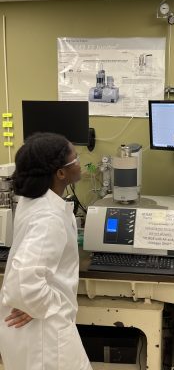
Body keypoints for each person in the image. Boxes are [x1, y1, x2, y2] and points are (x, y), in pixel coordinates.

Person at [0, 133, 92, 370]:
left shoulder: (36, 200)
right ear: (61, 173)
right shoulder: (48, 217)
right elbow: (23, 281)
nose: (79, 163)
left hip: (36, 335)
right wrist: (42, 305)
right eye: (76, 159)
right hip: (45, 339)